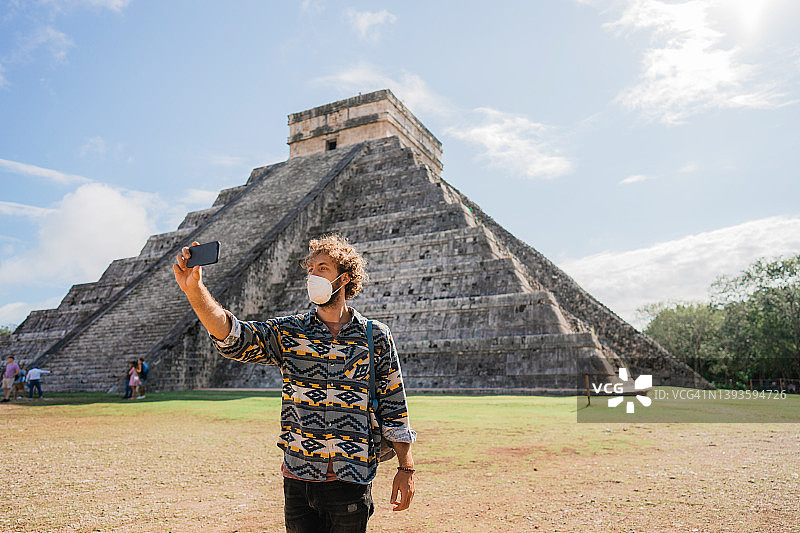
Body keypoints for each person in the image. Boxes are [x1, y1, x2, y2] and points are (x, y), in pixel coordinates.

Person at [173, 234, 417, 533]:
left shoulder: (375, 336)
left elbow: (394, 404)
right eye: (310, 269)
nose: (313, 275)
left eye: (323, 267)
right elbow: (232, 337)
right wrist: (195, 290)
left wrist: (406, 467)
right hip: (299, 477)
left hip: (351, 477)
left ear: (345, 277)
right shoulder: (290, 332)